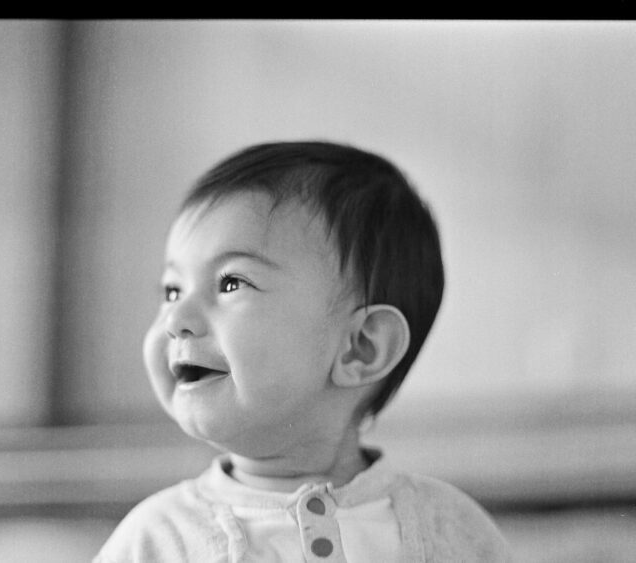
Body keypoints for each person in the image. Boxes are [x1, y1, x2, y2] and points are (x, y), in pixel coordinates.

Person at [94, 141, 513, 562]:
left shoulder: (451, 530)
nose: (175, 319)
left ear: (360, 348)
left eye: (231, 282)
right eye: (172, 290)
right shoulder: (155, 540)